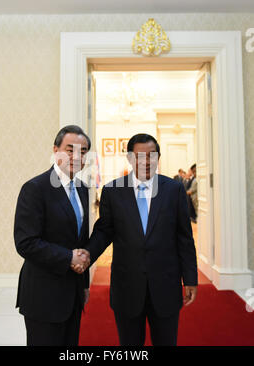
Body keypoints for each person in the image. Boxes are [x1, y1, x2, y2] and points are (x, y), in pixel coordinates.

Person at [75, 133, 198, 346]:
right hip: (127, 288)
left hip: (165, 286)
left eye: (151, 155)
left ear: (158, 157)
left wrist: (190, 278)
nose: (146, 161)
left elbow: (184, 238)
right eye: (140, 156)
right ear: (130, 159)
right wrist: (87, 254)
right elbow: (104, 231)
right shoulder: (113, 191)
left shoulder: (174, 190)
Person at [14, 125, 91, 346]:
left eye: (83, 151)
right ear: (55, 150)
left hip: (73, 294)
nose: (77, 156)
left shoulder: (83, 188)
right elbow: (25, 243)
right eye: (70, 149)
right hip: (43, 294)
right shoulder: (35, 188)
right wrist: (69, 258)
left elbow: (81, 241)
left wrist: (84, 284)